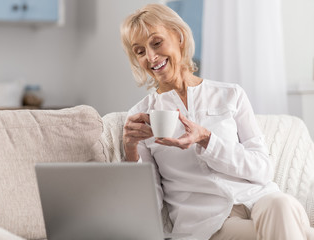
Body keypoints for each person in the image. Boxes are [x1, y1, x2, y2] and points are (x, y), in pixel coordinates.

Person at [120, 3, 314, 240]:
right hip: (210, 224)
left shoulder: (231, 95)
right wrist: (131, 152)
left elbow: (262, 169)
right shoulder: (140, 118)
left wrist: (207, 139)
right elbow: (148, 206)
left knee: (282, 205)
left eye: (156, 43)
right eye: (140, 51)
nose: (151, 56)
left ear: (179, 37)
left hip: (261, 200)